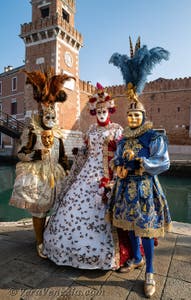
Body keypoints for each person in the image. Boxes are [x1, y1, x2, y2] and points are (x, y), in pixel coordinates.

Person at [107, 37, 172, 297]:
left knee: (145, 229)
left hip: (145, 188)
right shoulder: (124, 138)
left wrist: (142, 162)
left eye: (137, 115)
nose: (133, 117)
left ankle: (150, 271)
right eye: (130, 115)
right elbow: (117, 159)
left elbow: (164, 161)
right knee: (128, 225)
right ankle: (135, 258)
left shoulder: (152, 137)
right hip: (125, 187)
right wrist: (118, 165)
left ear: (143, 116)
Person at [43, 83, 132, 270]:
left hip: (106, 173)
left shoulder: (117, 129)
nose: (101, 113)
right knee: (71, 202)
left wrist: (117, 175)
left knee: (104, 205)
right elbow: (85, 152)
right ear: (94, 112)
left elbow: (120, 153)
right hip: (86, 172)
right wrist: (75, 161)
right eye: (98, 111)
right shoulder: (90, 130)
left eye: (104, 110)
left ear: (109, 111)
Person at [9, 68, 72, 258]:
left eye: (53, 116)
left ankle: (51, 236)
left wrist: (67, 169)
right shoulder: (32, 131)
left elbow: (62, 156)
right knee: (39, 210)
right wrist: (36, 155)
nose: (50, 118)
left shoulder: (58, 134)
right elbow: (21, 152)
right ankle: (39, 241)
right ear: (42, 114)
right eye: (47, 115)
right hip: (38, 175)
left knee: (59, 206)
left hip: (57, 174)